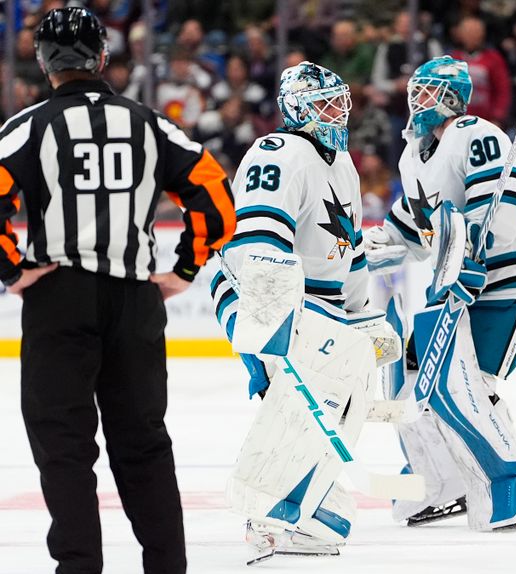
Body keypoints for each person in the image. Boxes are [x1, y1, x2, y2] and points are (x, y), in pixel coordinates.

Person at [0, 8, 235, 574]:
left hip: (60, 296)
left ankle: (79, 567)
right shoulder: (150, 123)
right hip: (134, 299)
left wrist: (11, 269)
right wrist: (184, 268)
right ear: (103, 57)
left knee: (64, 446)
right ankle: (166, 566)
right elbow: (216, 198)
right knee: (144, 443)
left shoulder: (29, 126)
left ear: (42, 64)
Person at [210, 61, 399, 560]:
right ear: (295, 110)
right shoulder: (278, 152)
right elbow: (259, 243)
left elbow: (351, 251)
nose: (337, 112)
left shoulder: (343, 164)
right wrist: (264, 329)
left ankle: (299, 507)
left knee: (333, 408)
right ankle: (269, 516)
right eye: (323, 105)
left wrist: (363, 317)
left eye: (340, 101)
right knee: (303, 404)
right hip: (268, 296)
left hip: (321, 307)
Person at [364, 56, 516, 531]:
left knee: (467, 385)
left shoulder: (476, 132)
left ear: (452, 98)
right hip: (455, 287)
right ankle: (438, 482)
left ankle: (508, 479)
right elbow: (414, 227)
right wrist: (376, 245)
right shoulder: (413, 153)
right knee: (408, 378)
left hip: (508, 281)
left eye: (427, 92)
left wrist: (476, 245)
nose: (417, 101)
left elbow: (509, 202)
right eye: (415, 91)